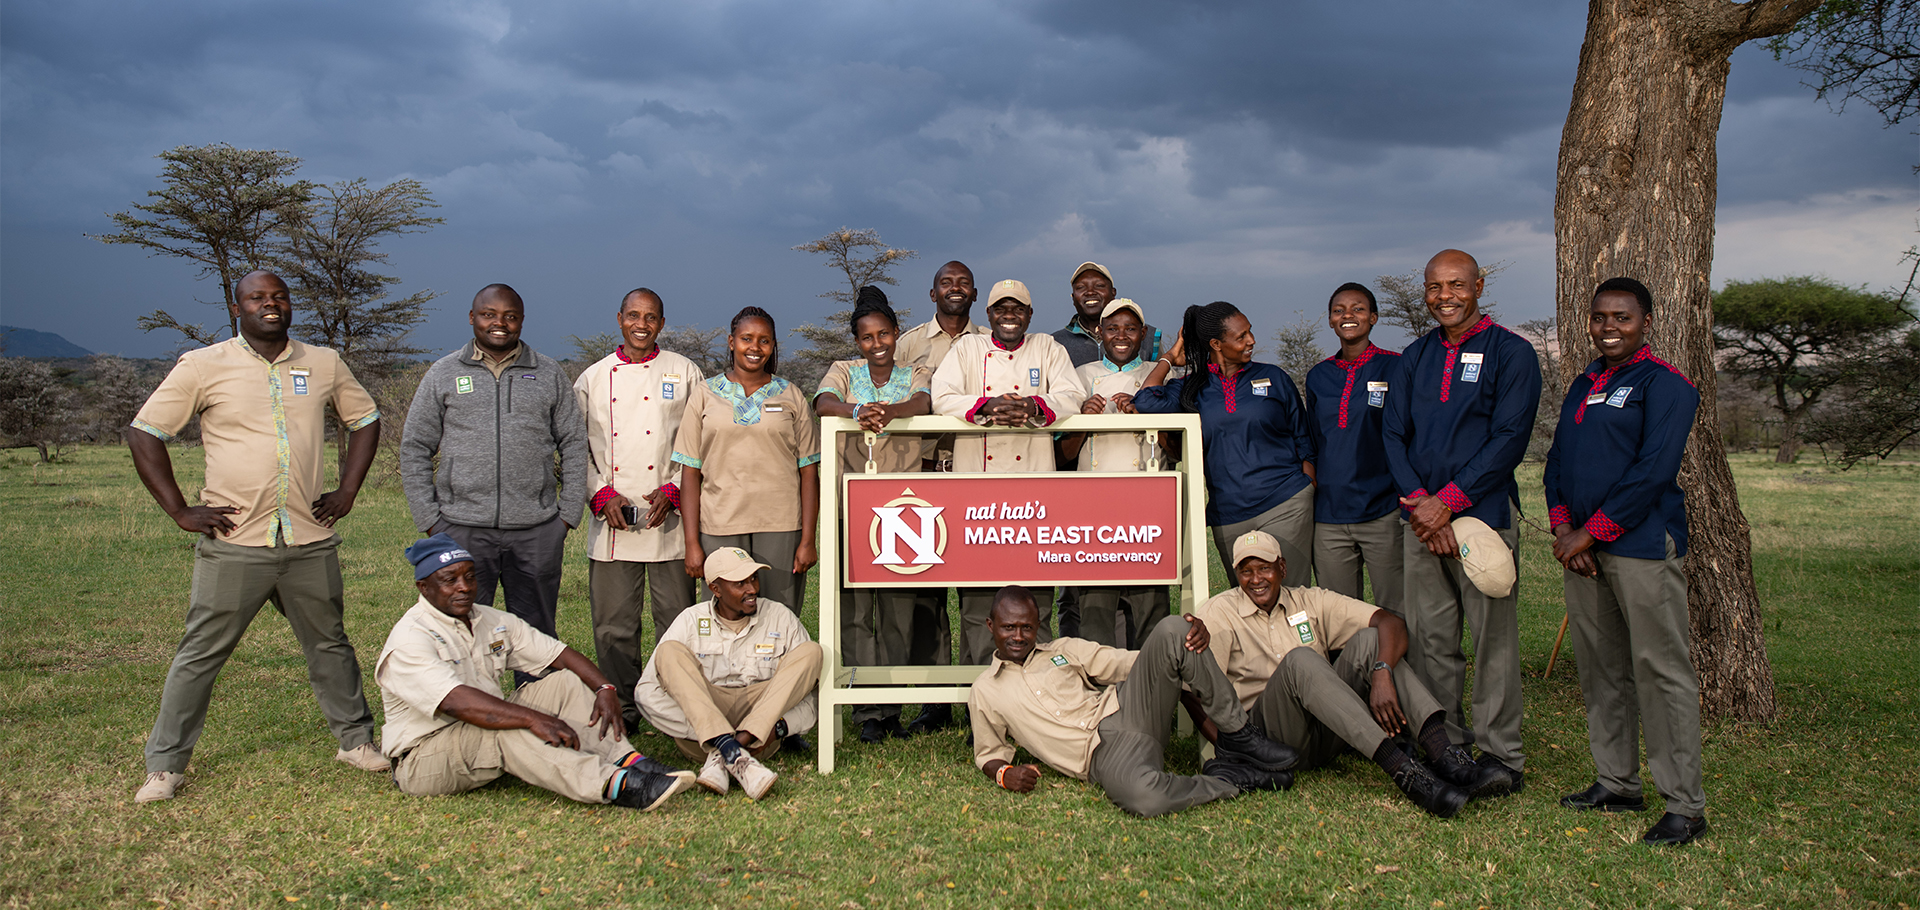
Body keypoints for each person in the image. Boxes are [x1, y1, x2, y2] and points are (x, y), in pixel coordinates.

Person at [127, 270, 389, 804]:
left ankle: (356, 741)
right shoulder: (203, 365)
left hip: (308, 538)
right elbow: (145, 431)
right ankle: (166, 766)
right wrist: (179, 510)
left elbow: (365, 420)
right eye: (257, 298)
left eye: (279, 297)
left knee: (330, 644)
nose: (270, 305)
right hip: (235, 541)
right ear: (237, 306)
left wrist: (347, 491)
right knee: (200, 653)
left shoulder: (322, 363)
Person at [1545, 277, 1707, 846]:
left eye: (1622, 318)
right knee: (1602, 669)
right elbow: (1558, 461)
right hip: (1584, 553)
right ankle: (1617, 781)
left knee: (1661, 672)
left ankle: (1684, 804)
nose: (1608, 327)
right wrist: (1566, 529)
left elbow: (1654, 472)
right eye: (1599, 317)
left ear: (1646, 323)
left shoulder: (1666, 385)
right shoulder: (1584, 382)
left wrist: (1592, 533)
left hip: (1638, 548)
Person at [1192, 531, 1511, 818]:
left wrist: (1382, 672)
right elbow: (1191, 689)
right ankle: (1406, 772)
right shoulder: (1219, 612)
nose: (1255, 579)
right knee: (1300, 660)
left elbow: (1390, 623)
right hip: (1271, 738)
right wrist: (1231, 747)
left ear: (1282, 568)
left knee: (1372, 639)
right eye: (1245, 571)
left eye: (1264, 568)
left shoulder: (1309, 600)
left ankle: (1444, 755)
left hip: (1328, 729)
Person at [375, 534, 695, 811]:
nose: (464, 588)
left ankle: (629, 762)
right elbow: (458, 703)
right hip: (423, 756)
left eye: (470, 577)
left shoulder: (488, 619)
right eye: (449, 580)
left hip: (478, 729)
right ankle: (615, 786)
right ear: (424, 586)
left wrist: (605, 688)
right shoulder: (410, 639)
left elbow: (559, 654)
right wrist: (531, 718)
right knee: (508, 727)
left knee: (565, 683)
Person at [1381, 249, 1542, 795]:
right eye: (1433, 287)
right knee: (1432, 640)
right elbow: (1393, 436)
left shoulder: (1512, 353)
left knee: (1493, 642)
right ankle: (1445, 747)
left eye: (1455, 285)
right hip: (1421, 522)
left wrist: (1448, 502)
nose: (1444, 296)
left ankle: (1502, 755)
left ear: (1478, 285)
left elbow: (1508, 440)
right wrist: (1423, 504)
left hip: (1485, 520)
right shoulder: (1415, 356)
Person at [969, 586, 1298, 818]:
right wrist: (1004, 775)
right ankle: (1232, 778)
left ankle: (1239, 735)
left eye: (1026, 627)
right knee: (1146, 799)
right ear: (991, 626)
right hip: (1102, 759)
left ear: (1038, 625)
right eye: (1008, 627)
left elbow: (1123, 662)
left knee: (1174, 629)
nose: (1018, 636)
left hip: (1127, 712)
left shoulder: (1063, 649)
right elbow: (989, 753)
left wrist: (1181, 643)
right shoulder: (986, 690)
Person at [400, 283, 588, 676]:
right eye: (488, 314)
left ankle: (538, 717)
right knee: (460, 632)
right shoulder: (444, 372)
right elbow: (415, 445)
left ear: (521, 320)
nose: (499, 323)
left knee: (536, 636)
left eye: (510, 316)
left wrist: (567, 515)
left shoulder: (548, 372)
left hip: (536, 531)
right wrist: (432, 520)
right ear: (472, 318)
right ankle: (470, 720)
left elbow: (573, 443)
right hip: (461, 530)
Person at [930, 279, 1088, 662]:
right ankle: (980, 692)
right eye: (1001, 309)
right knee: (978, 598)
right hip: (977, 494)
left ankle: (1042, 689)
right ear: (989, 314)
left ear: (1029, 315)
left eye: (1017, 309)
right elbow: (941, 396)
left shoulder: (1047, 347)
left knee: (1036, 593)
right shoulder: (968, 348)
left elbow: (1073, 396)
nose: (1009, 316)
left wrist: (1033, 406)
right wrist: (987, 406)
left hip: (1033, 492)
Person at [572, 288, 704, 729]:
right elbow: (574, 449)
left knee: (676, 622)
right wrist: (600, 494)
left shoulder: (685, 372)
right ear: (619, 319)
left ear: (662, 324)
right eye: (633, 315)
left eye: (651, 317)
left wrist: (674, 490)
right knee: (614, 628)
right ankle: (623, 709)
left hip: (669, 517)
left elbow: (701, 438)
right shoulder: (592, 379)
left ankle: (675, 704)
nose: (641, 324)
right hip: (614, 522)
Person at [813, 286, 936, 743]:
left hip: (907, 514)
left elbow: (923, 403)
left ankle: (893, 708)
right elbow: (824, 403)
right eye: (866, 337)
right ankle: (866, 709)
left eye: (884, 333)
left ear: (896, 333)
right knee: (856, 611)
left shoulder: (915, 370)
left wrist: (890, 412)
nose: (876, 343)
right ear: (857, 341)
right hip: (853, 510)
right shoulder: (844, 371)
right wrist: (857, 410)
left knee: (898, 612)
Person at [1133, 301, 1318, 577]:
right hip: (1229, 513)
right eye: (1241, 336)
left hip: (1286, 502)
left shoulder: (1274, 377)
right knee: (1246, 601)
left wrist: (1308, 485)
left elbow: (1303, 436)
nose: (1251, 340)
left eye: (1249, 332)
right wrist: (1171, 356)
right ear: (1216, 344)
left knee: (1292, 595)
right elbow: (1146, 401)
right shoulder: (1191, 389)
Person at [636, 547, 824, 801]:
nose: (752, 589)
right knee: (669, 652)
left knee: (811, 653)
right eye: (740, 583)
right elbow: (646, 693)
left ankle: (732, 748)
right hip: (702, 724)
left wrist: (777, 729)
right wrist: (707, 729)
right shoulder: (690, 620)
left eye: (753, 579)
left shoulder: (780, 617)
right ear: (715, 589)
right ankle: (727, 747)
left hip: (762, 731)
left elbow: (812, 694)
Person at [672, 307, 821, 614]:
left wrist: (807, 539)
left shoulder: (790, 395)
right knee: (722, 614)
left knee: (779, 614)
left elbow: (809, 472)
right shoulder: (704, 394)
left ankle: (780, 665)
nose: (755, 347)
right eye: (747, 338)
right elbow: (690, 473)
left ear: (773, 346)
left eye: (765, 340)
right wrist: (691, 543)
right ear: (731, 341)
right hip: (720, 523)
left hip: (780, 525)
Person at [891, 260, 987, 734]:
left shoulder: (989, 341)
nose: (955, 289)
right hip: (922, 476)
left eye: (963, 283)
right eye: (946, 283)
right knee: (925, 593)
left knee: (976, 590)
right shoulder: (908, 343)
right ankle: (934, 701)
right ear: (933, 294)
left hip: (973, 475)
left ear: (974, 293)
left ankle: (978, 695)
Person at [1057, 298, 1171, 647]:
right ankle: (1100, 688)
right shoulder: (1080, 376)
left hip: (1147, 503)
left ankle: (1153, 686)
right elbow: (1064, 454)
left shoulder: (1156, 376)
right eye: (1112, 329)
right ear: (1101, 334)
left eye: (1131, 329)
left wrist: (1144, 413)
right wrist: (1083, 421)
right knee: (1095, 599)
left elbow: (1176, 448)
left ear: (1143, 334)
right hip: (1094, 505)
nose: (1121, 336)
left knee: (1149, 597)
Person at [1305, 283, 1404, 613]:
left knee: (1397, 609)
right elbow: (1314, 440)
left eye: (1358, 309)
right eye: (1338, 310)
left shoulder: (1396, 367)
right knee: (1339, 614)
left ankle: (1396, 667)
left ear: (1373, 317)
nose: (1348, 315)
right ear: (1331, 321)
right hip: (1330, 515)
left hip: (1384, 509)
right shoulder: (1319, 376)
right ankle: (1348, 668)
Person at [1049, 261, 1162, 368]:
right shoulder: (1056, 342)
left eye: (1099, 285)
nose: (1090, 292)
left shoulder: (1149, 337)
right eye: (1081, 287)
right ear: (1073, 298)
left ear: (1113, 293)